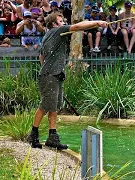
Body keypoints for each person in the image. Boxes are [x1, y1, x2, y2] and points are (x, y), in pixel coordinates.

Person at [26, 12, 107, 150]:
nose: (64, 22)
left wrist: (49, 67)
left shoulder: (47, 35)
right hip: (50, 75)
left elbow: (41, 56)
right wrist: (97, 23)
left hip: (53, 74)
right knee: (45, 105)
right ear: (54, 24)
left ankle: (52, 137)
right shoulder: (58, 31)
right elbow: (77, 27)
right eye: (61, 21)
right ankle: (33, 135)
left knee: (54, 106)